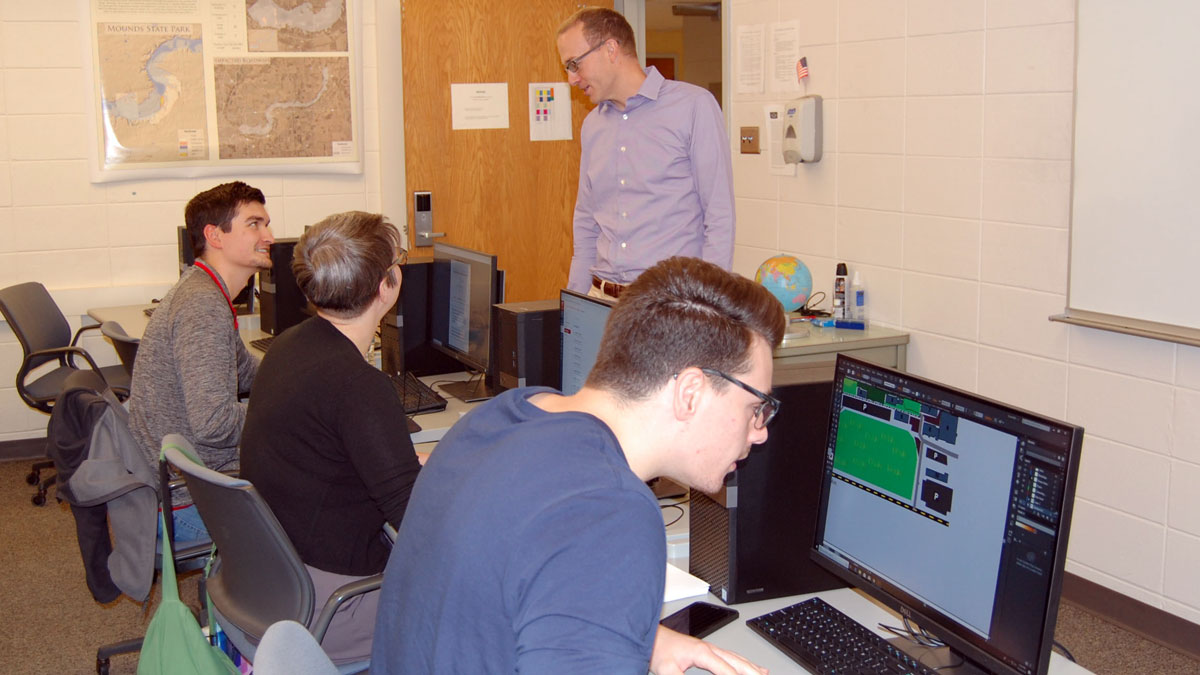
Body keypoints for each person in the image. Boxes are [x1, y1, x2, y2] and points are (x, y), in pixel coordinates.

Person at [372, 256, 783, 674]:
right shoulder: (610, 511)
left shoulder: (503, 416)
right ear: (691, 393)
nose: (760, 431)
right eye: (755, 407)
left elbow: (489, 597)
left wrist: (632, 637)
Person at [239, 211, 421, 665]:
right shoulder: (358, 386)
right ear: (388, 285)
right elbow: (418, 521)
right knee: (485, 599)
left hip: (270, 581)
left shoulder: (290, 345)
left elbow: (333, 454)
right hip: (335, 604)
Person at [558, 7, 735, 301]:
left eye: (574, 64)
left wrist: (709, 306)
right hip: (601, 300)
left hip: (669, 303)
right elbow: (587, 220)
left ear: (610, 49)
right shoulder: (593, 125)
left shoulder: (693, 107)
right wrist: (574, 301)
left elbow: (719, 217)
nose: (572, 79)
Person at [129, 181, 273, 541]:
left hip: (184, 482)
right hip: (186, 503)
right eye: (254, 224)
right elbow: (214, 424)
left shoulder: (203, 290)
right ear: (215, 235)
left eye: (266, 224)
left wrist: (303, 380)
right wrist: (291, 414)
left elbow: (247, 373)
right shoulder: (202, 306)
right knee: (328, 487)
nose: (268, 236)